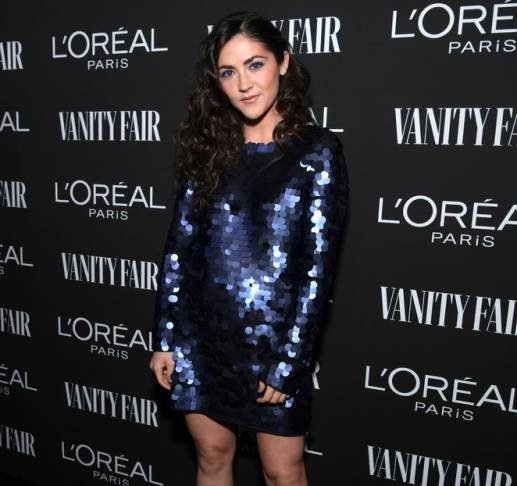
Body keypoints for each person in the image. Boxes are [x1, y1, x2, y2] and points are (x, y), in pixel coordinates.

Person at [149, 10, 349, 486]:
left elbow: (317, 272)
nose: (243, 84)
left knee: (282, 473)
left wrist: (290, 359)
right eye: (228, 72)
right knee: (211, 455)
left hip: (273, 344)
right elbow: (179, 250)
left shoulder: (317, 152)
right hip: (200, 339)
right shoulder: (207, 149)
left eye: (255, 65)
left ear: (284, 62)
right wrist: (167, 335)